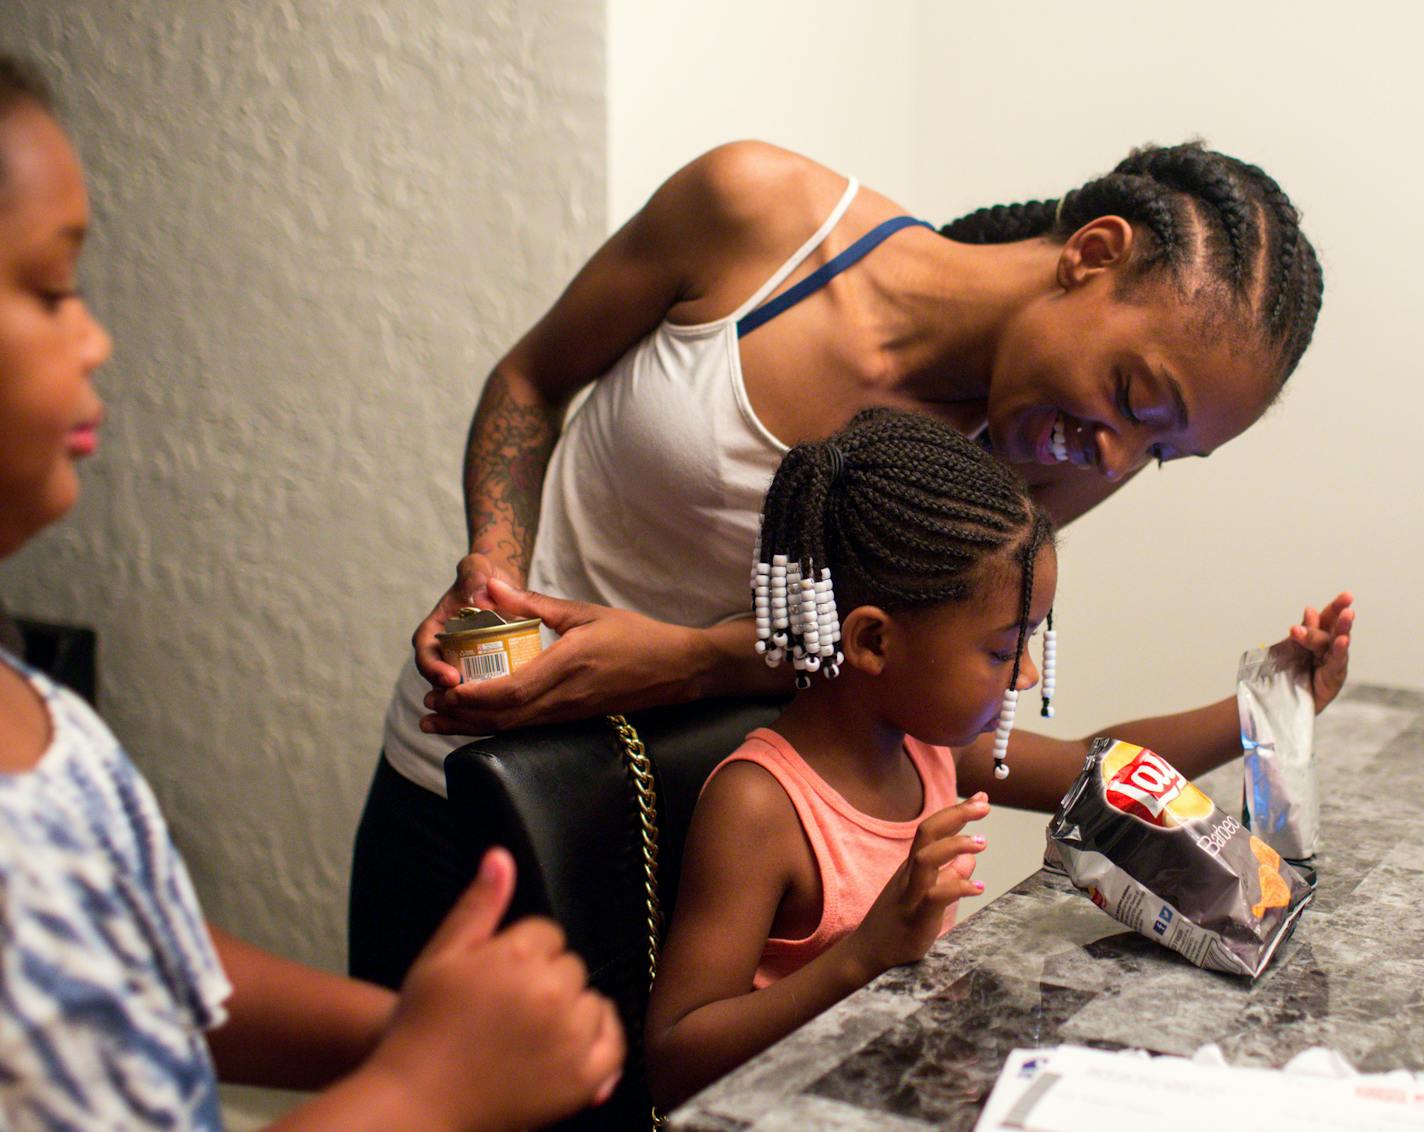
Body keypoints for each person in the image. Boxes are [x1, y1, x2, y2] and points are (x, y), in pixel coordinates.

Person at [350, 135, 1344, 985]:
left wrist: (689, 660)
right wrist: (492, 564)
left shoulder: (1058, 454)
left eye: (1162, 451)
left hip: (723, 852)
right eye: (1132, 397)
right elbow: (531, 378)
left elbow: (899, 657)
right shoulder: (754, 212)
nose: (1117, 457)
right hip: (469, 774)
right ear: (1091, 252)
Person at [0, 55, 623, 1131]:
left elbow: (146, 972)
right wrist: (420, 1091)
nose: (97, 338)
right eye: (51, 291)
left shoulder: (32, 703)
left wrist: (407, 1030)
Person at [642, 409, 1348, 1107]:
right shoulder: (760, 806)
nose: (1029, 674)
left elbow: (1097, 766)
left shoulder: (927, 751)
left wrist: (1271, 704)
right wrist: (863, 957)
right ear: (874, 644)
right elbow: (674, 1059)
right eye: (1004, 648)